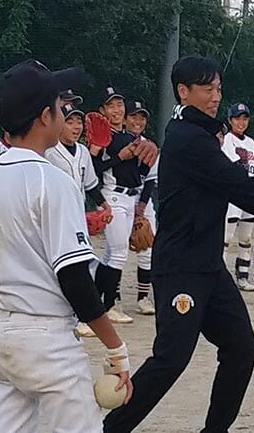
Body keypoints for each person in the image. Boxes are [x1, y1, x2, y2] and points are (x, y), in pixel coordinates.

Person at [103, 55, 254, 433]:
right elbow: (239, 186)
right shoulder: (189, 139)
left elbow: (236, 186)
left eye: (218, 89)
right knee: (172, 358)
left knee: (241, 348)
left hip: (208, 266)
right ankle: (110, 430)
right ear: (183, 91)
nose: (214, 96)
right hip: (181, 268)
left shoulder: (198, 133)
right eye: (207, 89)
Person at [0, 60, 132, 432]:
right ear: (45, 117)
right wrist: (115, 348)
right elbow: (74, 279)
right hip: (42, 340)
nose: (65, 113)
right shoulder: (51, 180)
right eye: (61, 107)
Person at [45, 99, 114, 337]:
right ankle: (68, 318)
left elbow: (91, 185)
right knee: (65, 270)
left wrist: (104, 206)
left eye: (78, 122)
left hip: (78, 220)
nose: (75, 127)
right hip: (56, 221)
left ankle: (78, 318)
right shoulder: (48, 152)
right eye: (69, 122)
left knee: (84, 268)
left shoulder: (83, 152)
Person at [90, 86, 157, 323]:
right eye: (111, 105)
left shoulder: (130, 138)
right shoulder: (101, 139)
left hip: (130, 197)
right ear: (103, 111)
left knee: (111, 253)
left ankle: (100, 303)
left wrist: (147, 159)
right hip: (113, 196)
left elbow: (139, 173)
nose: (117, 110)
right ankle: (108, 305)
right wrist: (120, 157)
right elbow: (92, 171)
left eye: (119, 105)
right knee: (117, 255)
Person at [121, 99, 158, 314]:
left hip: (142, 200)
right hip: (120, 197)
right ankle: (113, 298)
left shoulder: (149, 145)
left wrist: (142, 207)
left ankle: (143, 298)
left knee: (148, 250)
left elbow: (152, 179)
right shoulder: (117, 141)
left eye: (142, 117)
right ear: (125, 119)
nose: (138, 121)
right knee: (118, 253)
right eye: (133, 116)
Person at [220, 103, 254, 292]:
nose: (241, 122)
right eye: (237, 118)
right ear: (230, 120)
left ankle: (242, 276)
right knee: (226, 238)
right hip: (233, 194)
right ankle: (220, 277)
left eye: (244, 118)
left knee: (246, 237)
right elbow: (236, 167)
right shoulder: (227, 140)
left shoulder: (251, 143)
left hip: (248, 194)